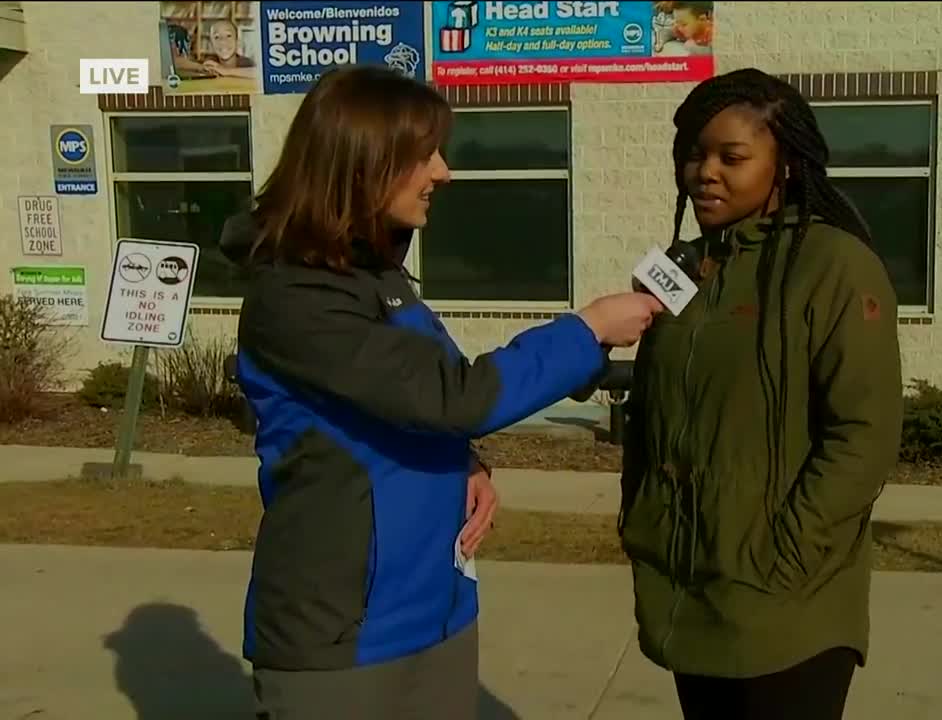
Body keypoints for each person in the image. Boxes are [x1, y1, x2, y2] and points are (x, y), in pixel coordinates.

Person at [220, 64, 663, 720]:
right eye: (423, 154)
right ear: (364, 161)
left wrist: (465, 458)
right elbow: (451, 395)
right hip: (345, 632)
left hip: (438, 609)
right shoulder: (296, 296)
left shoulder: (379, 281)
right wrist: (588, 330)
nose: (444, 172)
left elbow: (414, 404)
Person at [616, 67, 905, 719]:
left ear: (786, 165)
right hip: (690, 590)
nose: (705, 172)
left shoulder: (833, 265)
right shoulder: (686, 269)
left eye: (731, 156)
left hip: (787, 604)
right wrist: (642, 517)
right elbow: (652, 410)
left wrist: (785, 553)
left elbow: (864, 433)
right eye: (694, 154)